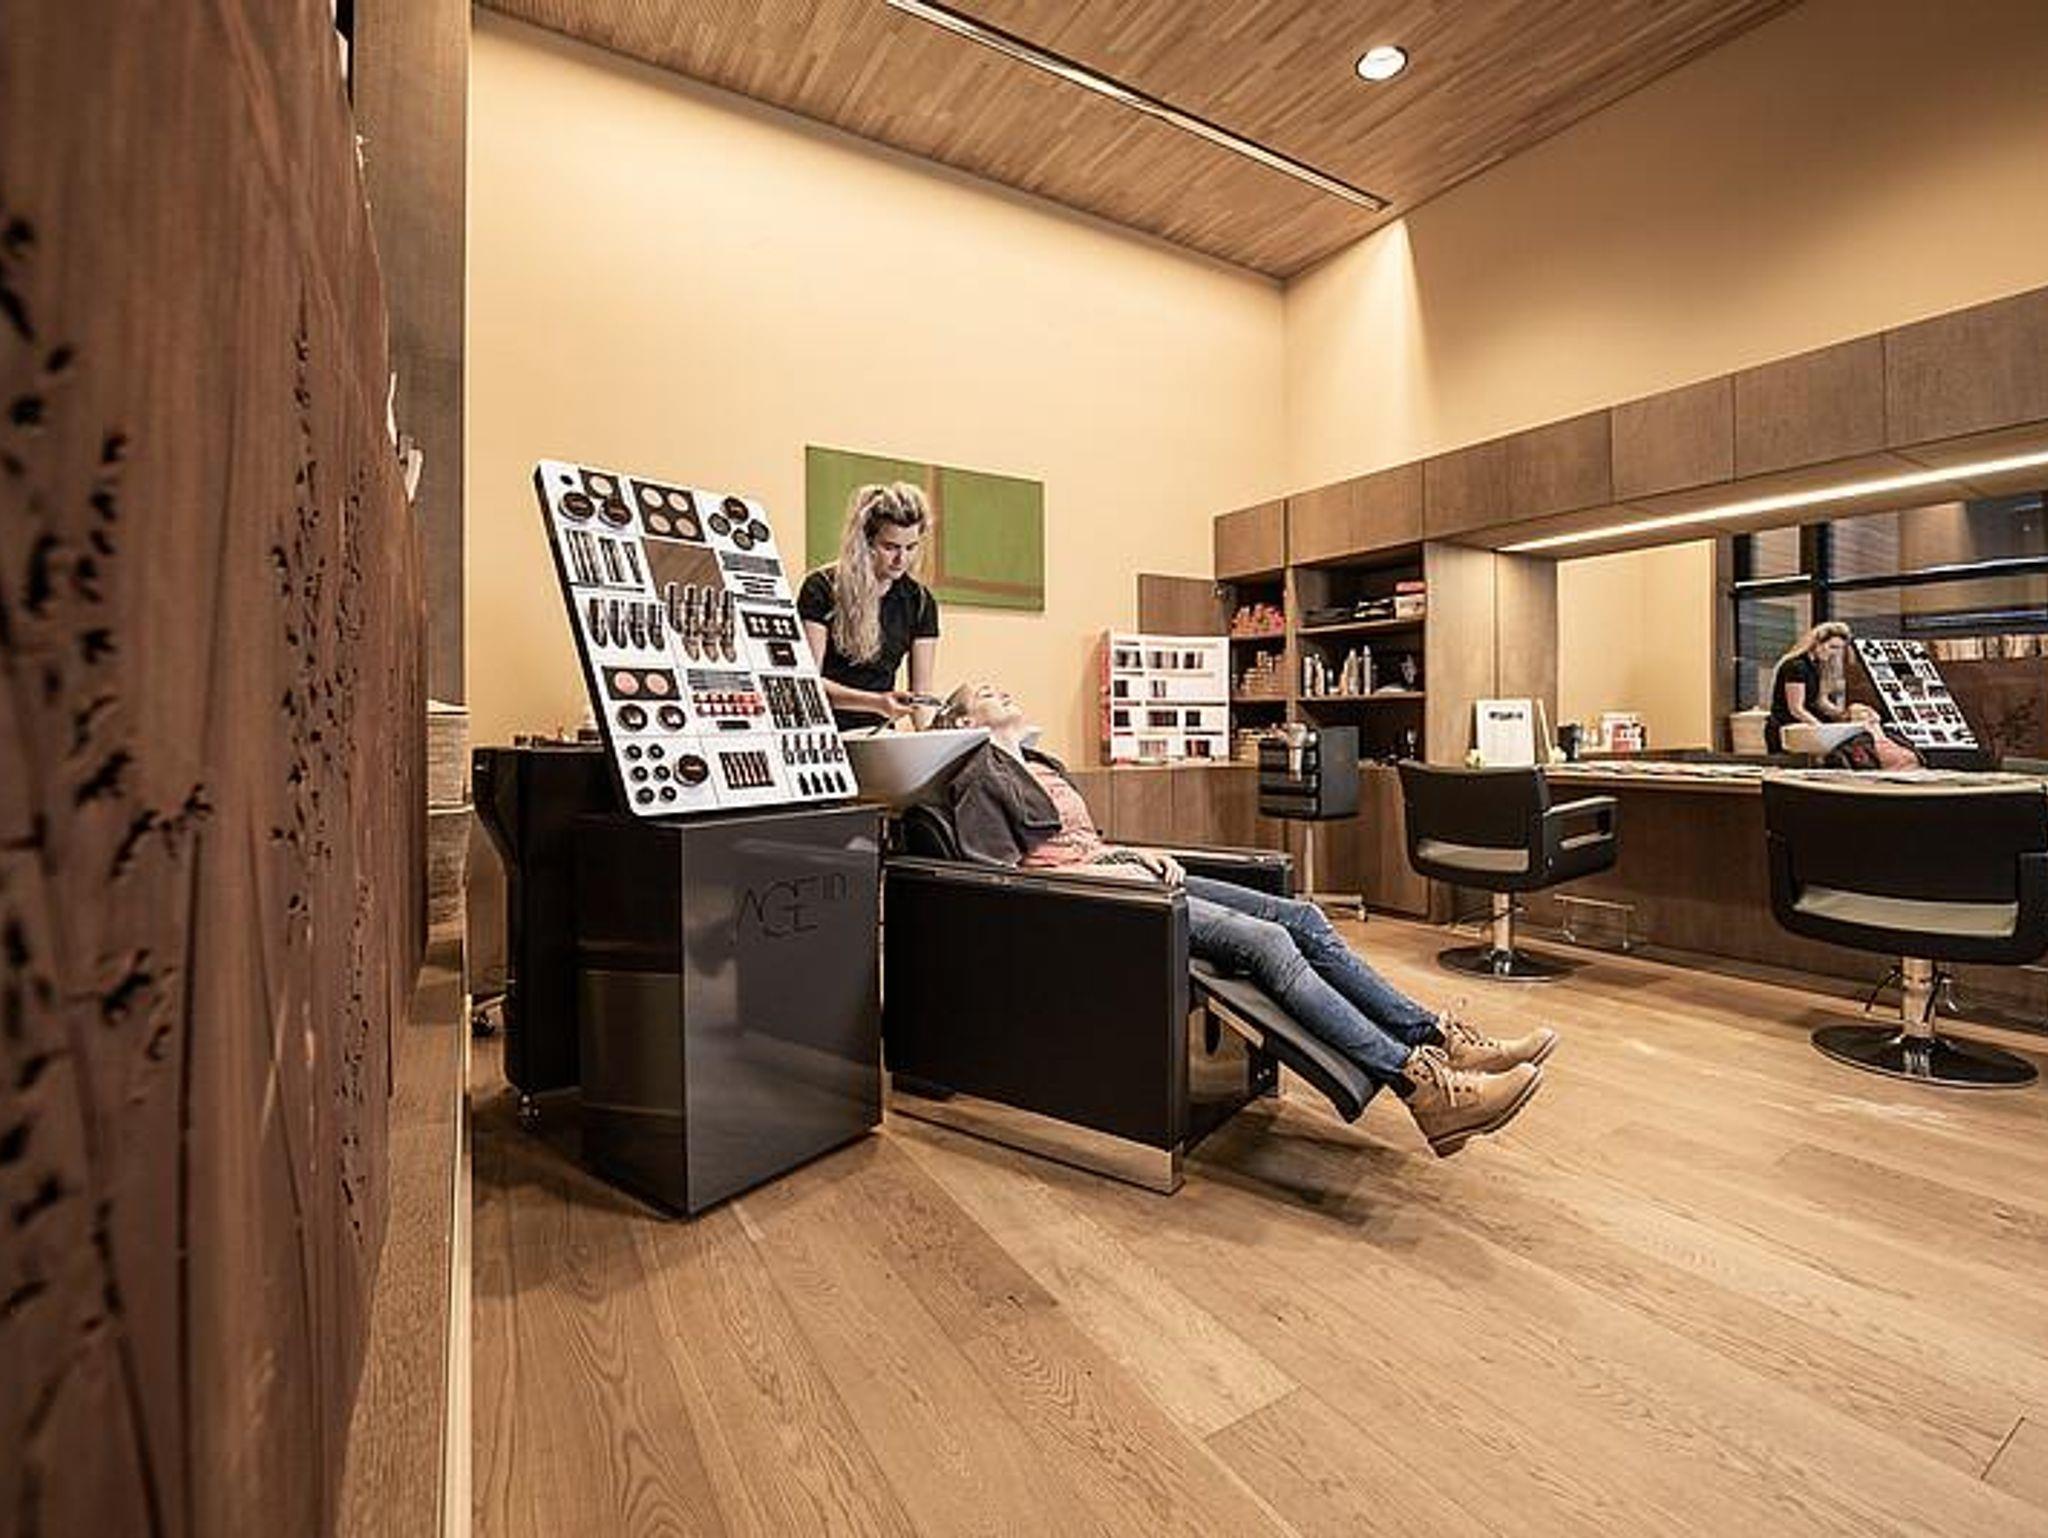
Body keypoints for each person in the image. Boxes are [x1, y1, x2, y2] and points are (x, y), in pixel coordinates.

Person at [932, 682, 1554, 1157]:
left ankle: (1440, 1038)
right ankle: (1424, 1088)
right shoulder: (977, 775)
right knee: (1269, 941)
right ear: (961, 722)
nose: (1002, 689)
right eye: (985, 690)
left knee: (1303, 917)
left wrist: (1135, 853)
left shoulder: (1039, 763)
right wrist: (1116, 874)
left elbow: (1084, 840)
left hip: (1129, 873)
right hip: (1108, 904)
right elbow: (1004, 881)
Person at [799, 482, 941, 731]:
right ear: (865, 542)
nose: (902, 559)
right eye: (890, 547)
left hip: (877, 736)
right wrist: (876, 703)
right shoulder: (821, 588)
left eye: (911, 548)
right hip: (823, 729)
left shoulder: (920, 601)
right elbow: (807, 683)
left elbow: (922, 697)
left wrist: (934, 742)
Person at [1765, 621, 1920, 767]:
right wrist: (1822, 729)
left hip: (1807, 727)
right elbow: (1796, 708)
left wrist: (1845, 714)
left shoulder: (1817, 666)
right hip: (1788, 729)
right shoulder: (1796, 666)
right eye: (1832, 647)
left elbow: (1820, 702)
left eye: (1839, 648)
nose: (1835, 653)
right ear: (1816, 643)